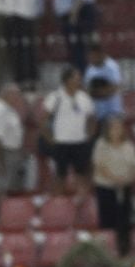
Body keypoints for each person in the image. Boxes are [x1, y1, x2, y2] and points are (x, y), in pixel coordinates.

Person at [91, 115, 135, 257]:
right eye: (113, 128)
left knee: (124, 221)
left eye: (119, 127)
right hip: (106, 188)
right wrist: (115, 179)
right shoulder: (101, 145)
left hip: (125, 187)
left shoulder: (129, 146)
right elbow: (99, 166)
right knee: (107, 221)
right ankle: (107, 253)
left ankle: (124, 251)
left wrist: (128, 178)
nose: (116, 130)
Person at [42, 66, 95, 195]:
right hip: (61, 143)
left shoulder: (84, 98)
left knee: (82, 175)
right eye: (76, 78)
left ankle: (82, 204)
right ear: (67, 80)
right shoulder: (55, 97)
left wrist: (89, 135)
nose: (79, 81)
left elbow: (92, 118)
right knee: (60, 176)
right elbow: (43, 120)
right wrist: (50, 138)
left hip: (80, 142)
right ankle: (59, 207)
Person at [83, 40, 122, 124]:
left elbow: (113, 90)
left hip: (112, 114)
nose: (90, 59)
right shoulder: (89, 69)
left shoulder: (112, 67)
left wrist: (95, 93)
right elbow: (87, 91)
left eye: (92, 56)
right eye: (89, 56)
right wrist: (99, 92)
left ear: (99, 54)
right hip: (97, 114)